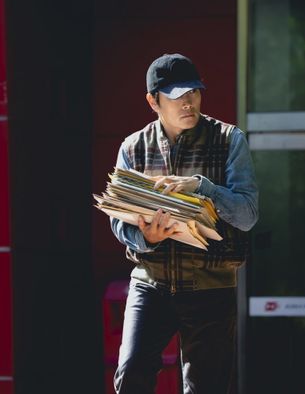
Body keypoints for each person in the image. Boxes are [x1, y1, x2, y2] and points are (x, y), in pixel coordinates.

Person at [110, 53, 259, 394]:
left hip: (211, 286)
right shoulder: (132, 148)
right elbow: (118, 221)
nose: (188, 102)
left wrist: (203, 188)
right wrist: (145, 237)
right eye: (177, 95)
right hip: (151, 283)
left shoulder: (229, 139)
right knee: (130, 374)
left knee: (206, 388)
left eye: (193, 92)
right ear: (153, 101)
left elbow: (248, 215)